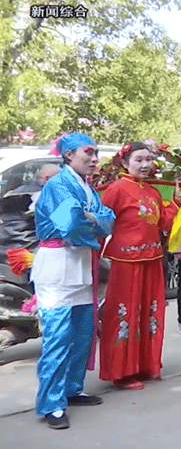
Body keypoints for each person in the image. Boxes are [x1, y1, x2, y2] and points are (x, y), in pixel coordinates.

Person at [32, 133, 115, 429]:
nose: (95, 159)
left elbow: (109, 218)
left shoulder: (86, 187)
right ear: (68, 155)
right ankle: (51, 403)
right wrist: (94, 220)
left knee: (82, 334)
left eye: (96, 153)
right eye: (88, 152)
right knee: (57, 337)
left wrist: (94, 218)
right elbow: (71, 224)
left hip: (80, 266)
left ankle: (71, 388)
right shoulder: (57, 186)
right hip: (57, 269)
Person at [99, 142, 181, 390]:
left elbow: (163, 224)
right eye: (139, 160)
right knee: (126, 313)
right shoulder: (116, 189)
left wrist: (175, 203)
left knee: (149, 312)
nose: (145, 165)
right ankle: (121, 371)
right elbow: (102, 223)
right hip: (126, 263)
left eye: (148, 160)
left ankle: (146, 364)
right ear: (125, 163)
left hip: (153, 260)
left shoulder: (153, 192)